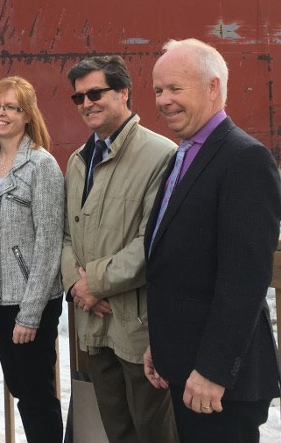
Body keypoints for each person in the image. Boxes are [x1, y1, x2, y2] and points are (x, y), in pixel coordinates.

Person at [144, 38, 281, 443]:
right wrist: (162, 343)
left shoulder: (245, 159)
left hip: (219, 383)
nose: (164, 101)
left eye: (175, 88)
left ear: (213, 88)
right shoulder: (184, 153)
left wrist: (214, 370)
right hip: (185, 366)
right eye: (157, 90)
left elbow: (245, 279)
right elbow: (176, 260)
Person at [61, 55, 178, 443]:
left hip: (137, 325)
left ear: (124, 92)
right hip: (92, 320)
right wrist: (78, 288)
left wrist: (92, 283)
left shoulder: (160, 155)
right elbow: (65, 234)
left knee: (153, 430)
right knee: (117, 429)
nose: (87, 103)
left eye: (96, 93)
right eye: (79, 98)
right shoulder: (79, 160)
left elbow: (154, 241)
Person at [0, 76, 65, 443]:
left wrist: (30, 313)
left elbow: (48, 242)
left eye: (12, 107)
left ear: (28, 115)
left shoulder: (41, 166)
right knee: (20, 386)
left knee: (36, 392)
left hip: (30, 300)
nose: (1, 113)